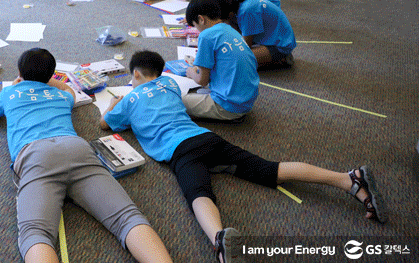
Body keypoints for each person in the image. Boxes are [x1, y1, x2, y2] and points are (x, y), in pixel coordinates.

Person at [100, 51, 386, 263]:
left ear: (136, 75)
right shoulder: (171, 84)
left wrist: (114, 102)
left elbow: (104, 124)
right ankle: (348, 179)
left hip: (180, 151)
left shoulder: (129, 100)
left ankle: (219, 239)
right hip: (207, 138)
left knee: (198, 192)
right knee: (269, 169)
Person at [0, 48, 173, 263]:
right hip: (75, 147)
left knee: (35, 234)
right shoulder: (61, 95)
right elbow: (68, 89)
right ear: (51, 75)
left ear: (20, 72)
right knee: (127, 217)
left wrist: (18, 85)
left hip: (35, 155)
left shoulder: (10, 93)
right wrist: (49, 80)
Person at [182, 0, 258, 122]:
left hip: (228, 106)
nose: (197, 30)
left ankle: (223, 114)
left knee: (174, 99)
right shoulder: (229, 29)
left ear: (201, 19)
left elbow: (202, 80)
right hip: (247, 101)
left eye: (195, 25)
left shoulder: (206, 35)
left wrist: (191, 72)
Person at [219, 0, 296, 68]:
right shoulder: (236, 2)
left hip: (279, 46)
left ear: (229, 14)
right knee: (230, 53)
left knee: (237, 59)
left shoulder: (246, 11)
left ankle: (281, 58)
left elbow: (245, 47)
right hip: (270, 39)